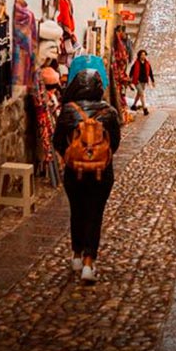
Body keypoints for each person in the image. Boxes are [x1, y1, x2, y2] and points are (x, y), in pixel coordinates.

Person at [52, 70, 121, 284]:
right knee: (94, 213)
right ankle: (89, 263)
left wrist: (72, 155)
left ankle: (75, 256)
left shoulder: (68, 111)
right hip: (102, 173)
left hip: (75, 173)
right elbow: (115, 143)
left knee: (77, 211)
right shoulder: (109, 112)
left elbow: (57, 141)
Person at [129, 49, 155, 115]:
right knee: (142, 94)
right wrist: (129, 81)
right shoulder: (136, 63)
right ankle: (145, 109)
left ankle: (134, 105)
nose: (143, 56)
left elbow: (150, 72)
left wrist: (152, 81)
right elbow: (131, 72)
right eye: (142, 55)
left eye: (144, 55)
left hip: (144, 81)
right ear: (139, 56)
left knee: (139, 94)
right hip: (137, 81)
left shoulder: (147, 63)